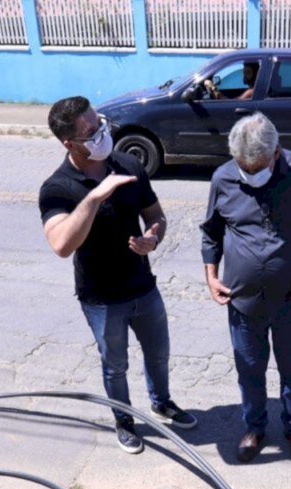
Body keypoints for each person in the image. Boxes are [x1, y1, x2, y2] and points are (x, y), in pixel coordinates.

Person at [38, 96, 196, 454]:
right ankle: (124, 421)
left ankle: (162, 402)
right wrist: (95, 197)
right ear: (69, 143)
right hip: (101, 298)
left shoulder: (127, 165)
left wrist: (152, 237)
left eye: (100, 124)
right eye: (90, 132)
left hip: (143, 287)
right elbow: (61, 245)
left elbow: (157, 216)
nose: (101, 134)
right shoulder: (57, 187)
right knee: (115, 365)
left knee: (158, 354)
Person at [201, 112, 291, 464]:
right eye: (243, 168)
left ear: (276, 152)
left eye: (257, 167)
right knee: (249, 368)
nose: (250, 174)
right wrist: (211, 275)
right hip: (242, 300)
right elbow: (211, 231)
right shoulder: (223, 178)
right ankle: (254, 427)